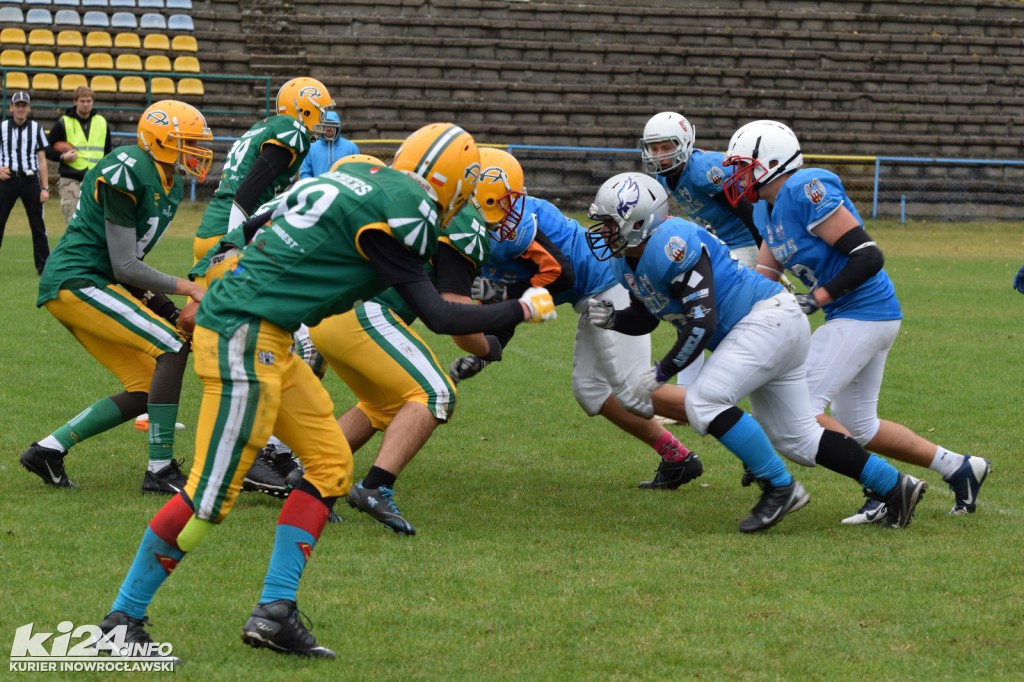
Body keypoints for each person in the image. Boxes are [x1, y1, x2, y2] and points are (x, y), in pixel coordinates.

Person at [97, 122, 556, 659]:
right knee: (208, 499)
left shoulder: (353, 171)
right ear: (452, 182)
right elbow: (436, 312)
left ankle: (275, 613)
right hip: (246, 334)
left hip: (269, 330)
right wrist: (523, 306)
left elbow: (258, 223)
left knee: (330, 464)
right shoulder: (412, 206)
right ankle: (121, 619)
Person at [584, 172, 929, 532]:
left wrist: (661, 372)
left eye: (609, 223)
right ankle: (894, 486)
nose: (603, 231)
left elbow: (702, 323)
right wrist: (615, 320)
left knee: (705, 399)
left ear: (638, 220)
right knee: (797, 438)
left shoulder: (673, 243)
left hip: (766, 321)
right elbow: (648, 315)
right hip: (768, 327)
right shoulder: (626, 261)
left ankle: (780, 487)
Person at [721, 119, 990, 522]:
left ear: (772, 161)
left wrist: (817, 298)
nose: (737, 175)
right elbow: (766, 279)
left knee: (801, 408)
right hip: (858, 316)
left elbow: (868, 256)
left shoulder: (803, 189)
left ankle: (884, 490)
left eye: (745, 165)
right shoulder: (765, 209)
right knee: (859, 425)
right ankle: (959, 467)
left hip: (863, 312)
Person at [451, 149, 700, 492]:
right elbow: (511, 304)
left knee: (632, 391)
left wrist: (501, 294)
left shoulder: (522, 225)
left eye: (508, 202)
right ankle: (678, 457)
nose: (508, 212)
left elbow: (559, 278)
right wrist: (485, 350)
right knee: (591, 391)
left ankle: (734, 423)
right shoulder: (471, 235)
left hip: (609, 285)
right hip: (592, 296)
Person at [19, 101, 213, 493]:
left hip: (94, 281)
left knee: (145, 386)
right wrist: (188, 287)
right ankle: (159, 471)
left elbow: (127, 266)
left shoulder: (165, 183)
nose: (194, 150)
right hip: (78, 280)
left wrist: (165, 307)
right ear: (160, 141)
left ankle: (48, 451)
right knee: (173, 347)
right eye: (186, 142)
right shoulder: (128, 166)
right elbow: (124, 265)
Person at [309, 156, 500, 535]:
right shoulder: (465, 220)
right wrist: (488, 347)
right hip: (364, 313)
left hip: (328, 314)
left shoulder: (404, 197)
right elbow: (455, 319)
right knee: (437, 394)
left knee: (382, 406)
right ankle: (375, 485)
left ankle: (313, 482)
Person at [192, 76, 334, 263]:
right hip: (228, 231)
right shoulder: (292, 131)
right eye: (322, 112)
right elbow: (247, 190)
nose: (325, 119)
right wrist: (232, 242)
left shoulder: (263, 127)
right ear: (305, 111)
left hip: (209, 228)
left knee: (201, 293)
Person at [45, 86, 113, 225]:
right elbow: (46, 148)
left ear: (93, 101)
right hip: (71, 179)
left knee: (96, 222)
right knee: (73, 222)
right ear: (75, 101)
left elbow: (108, 152)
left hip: (95, 179)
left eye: (89, 101)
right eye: (82, 101)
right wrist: (62, 157)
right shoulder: (64, 122)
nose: (86, 104)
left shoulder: (102, 122)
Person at [0, 91, 51, 274]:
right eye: (18, 105)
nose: (21, 108)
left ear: (29, 108)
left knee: (38, 225)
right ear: (11, 107)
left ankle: (44, 266)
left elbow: (42, 160)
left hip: (30, 180)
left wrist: (45, 187)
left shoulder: (36, 128)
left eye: (24, 105)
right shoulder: (2, 127)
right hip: (7, 179)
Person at [298, 110, 359, 179]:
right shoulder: (311, 148)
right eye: (326, 125)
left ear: (337, 126)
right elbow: (305, 173)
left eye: (332, 125)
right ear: (322, 126)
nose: (329, 128)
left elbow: (356, 173)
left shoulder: (351, 148)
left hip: (342, 189)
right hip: (319, 188)